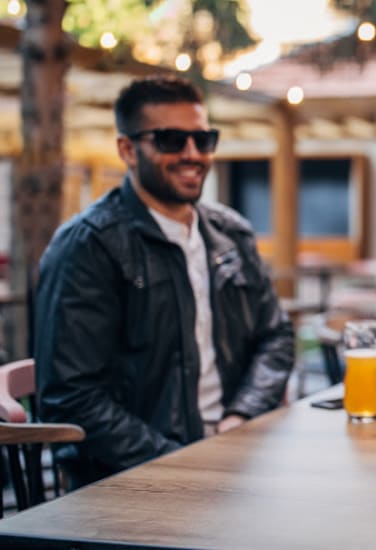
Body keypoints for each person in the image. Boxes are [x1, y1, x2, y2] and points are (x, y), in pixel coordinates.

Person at [34, 76, 294, 489]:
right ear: (127, 149)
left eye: (204, 139)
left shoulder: (232, 234)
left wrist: (241, 417)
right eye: (171, 139)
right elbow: (71, 397)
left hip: (240, 458)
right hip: (132, 482)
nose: (193, 154)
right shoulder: (88, 246)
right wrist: (180, 462)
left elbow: (276, 336)